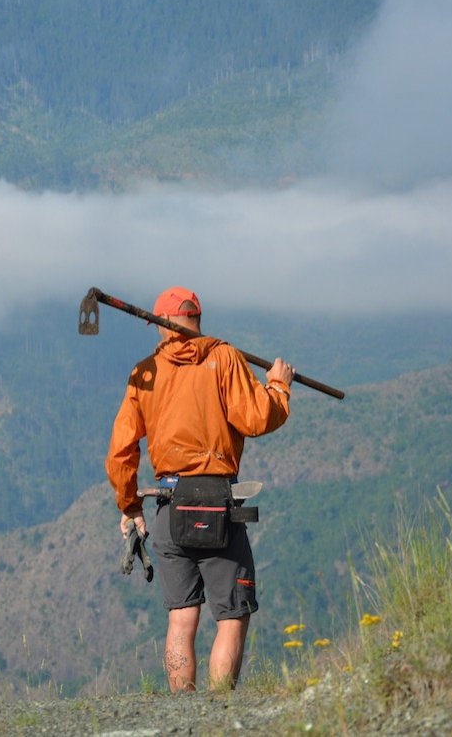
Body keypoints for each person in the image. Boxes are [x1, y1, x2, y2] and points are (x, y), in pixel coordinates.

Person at [105, 285, 294, 692]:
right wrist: (277, 387)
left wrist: (130, 505)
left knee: (181, 616)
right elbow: (258, 418)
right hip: (217, 508)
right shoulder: (223, 358)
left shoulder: (145, 373)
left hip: (169, 509)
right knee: (231, 615)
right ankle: (219, 710)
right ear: (197, 321)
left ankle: (182, 710)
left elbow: (121, 450)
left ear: (162, 326)